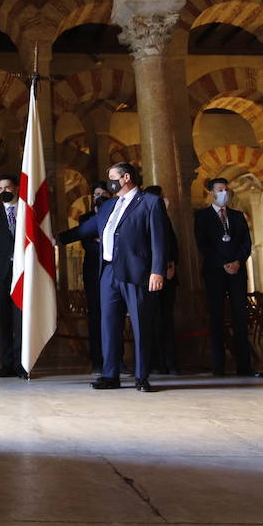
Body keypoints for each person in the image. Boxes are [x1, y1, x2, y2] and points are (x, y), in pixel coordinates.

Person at [59, 163, 169, 392]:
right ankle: (110, 375)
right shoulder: (109, 205)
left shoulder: (149, 202)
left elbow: (159, 240)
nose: (108, 181)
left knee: (140, 323)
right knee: (108, 323)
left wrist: (157, 271)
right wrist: (55, 239)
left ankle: (141, 376)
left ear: (126, 177)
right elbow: (85, 229)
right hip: (108, 271)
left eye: (111, 177)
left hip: (135, 271)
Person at [194, 177, 260, 377]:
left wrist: (238, 262)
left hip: (237, 271)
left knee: (240, 317)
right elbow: (203, 245)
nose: (224, 193)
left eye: (226, 190)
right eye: (220, 190)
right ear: (211, 193)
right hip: (215, 272)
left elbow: (245, 243)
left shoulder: (238, 216)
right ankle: (219, 365)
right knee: (216, 317)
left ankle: (244, 365)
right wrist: (223, 264)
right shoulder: (203, 216)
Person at [0, 174, 26, 378]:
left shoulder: (27, 212)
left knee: (20, 320)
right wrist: (4, 260)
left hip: (23, 273)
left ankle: (21, 364)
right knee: (4, 320)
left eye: (7, 188)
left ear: (16, 188)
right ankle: (7, 364)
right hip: (1, 274)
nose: (4, 192)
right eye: (0, 189)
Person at [68, 185, 112, 371]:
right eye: (96, 194)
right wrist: (106, 246)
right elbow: (88, 244)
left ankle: (115, 360)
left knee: (112, 315)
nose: (99, 197)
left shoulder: (114, 213)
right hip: (93, 271)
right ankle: (97, 360)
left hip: (112, 271)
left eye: (102, 194)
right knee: (95, 315)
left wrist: (101, 243)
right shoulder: (85, 218)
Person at [143, 186, 181, 375]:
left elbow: (172, 245)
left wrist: (172, 264)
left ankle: (168, 362)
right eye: (163, 197)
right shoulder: (151, 217)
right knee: (156, 320)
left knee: (165, 320)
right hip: (154, 276)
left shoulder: (164, 218)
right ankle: (158, 362)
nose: (166, 200)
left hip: (167, 276)